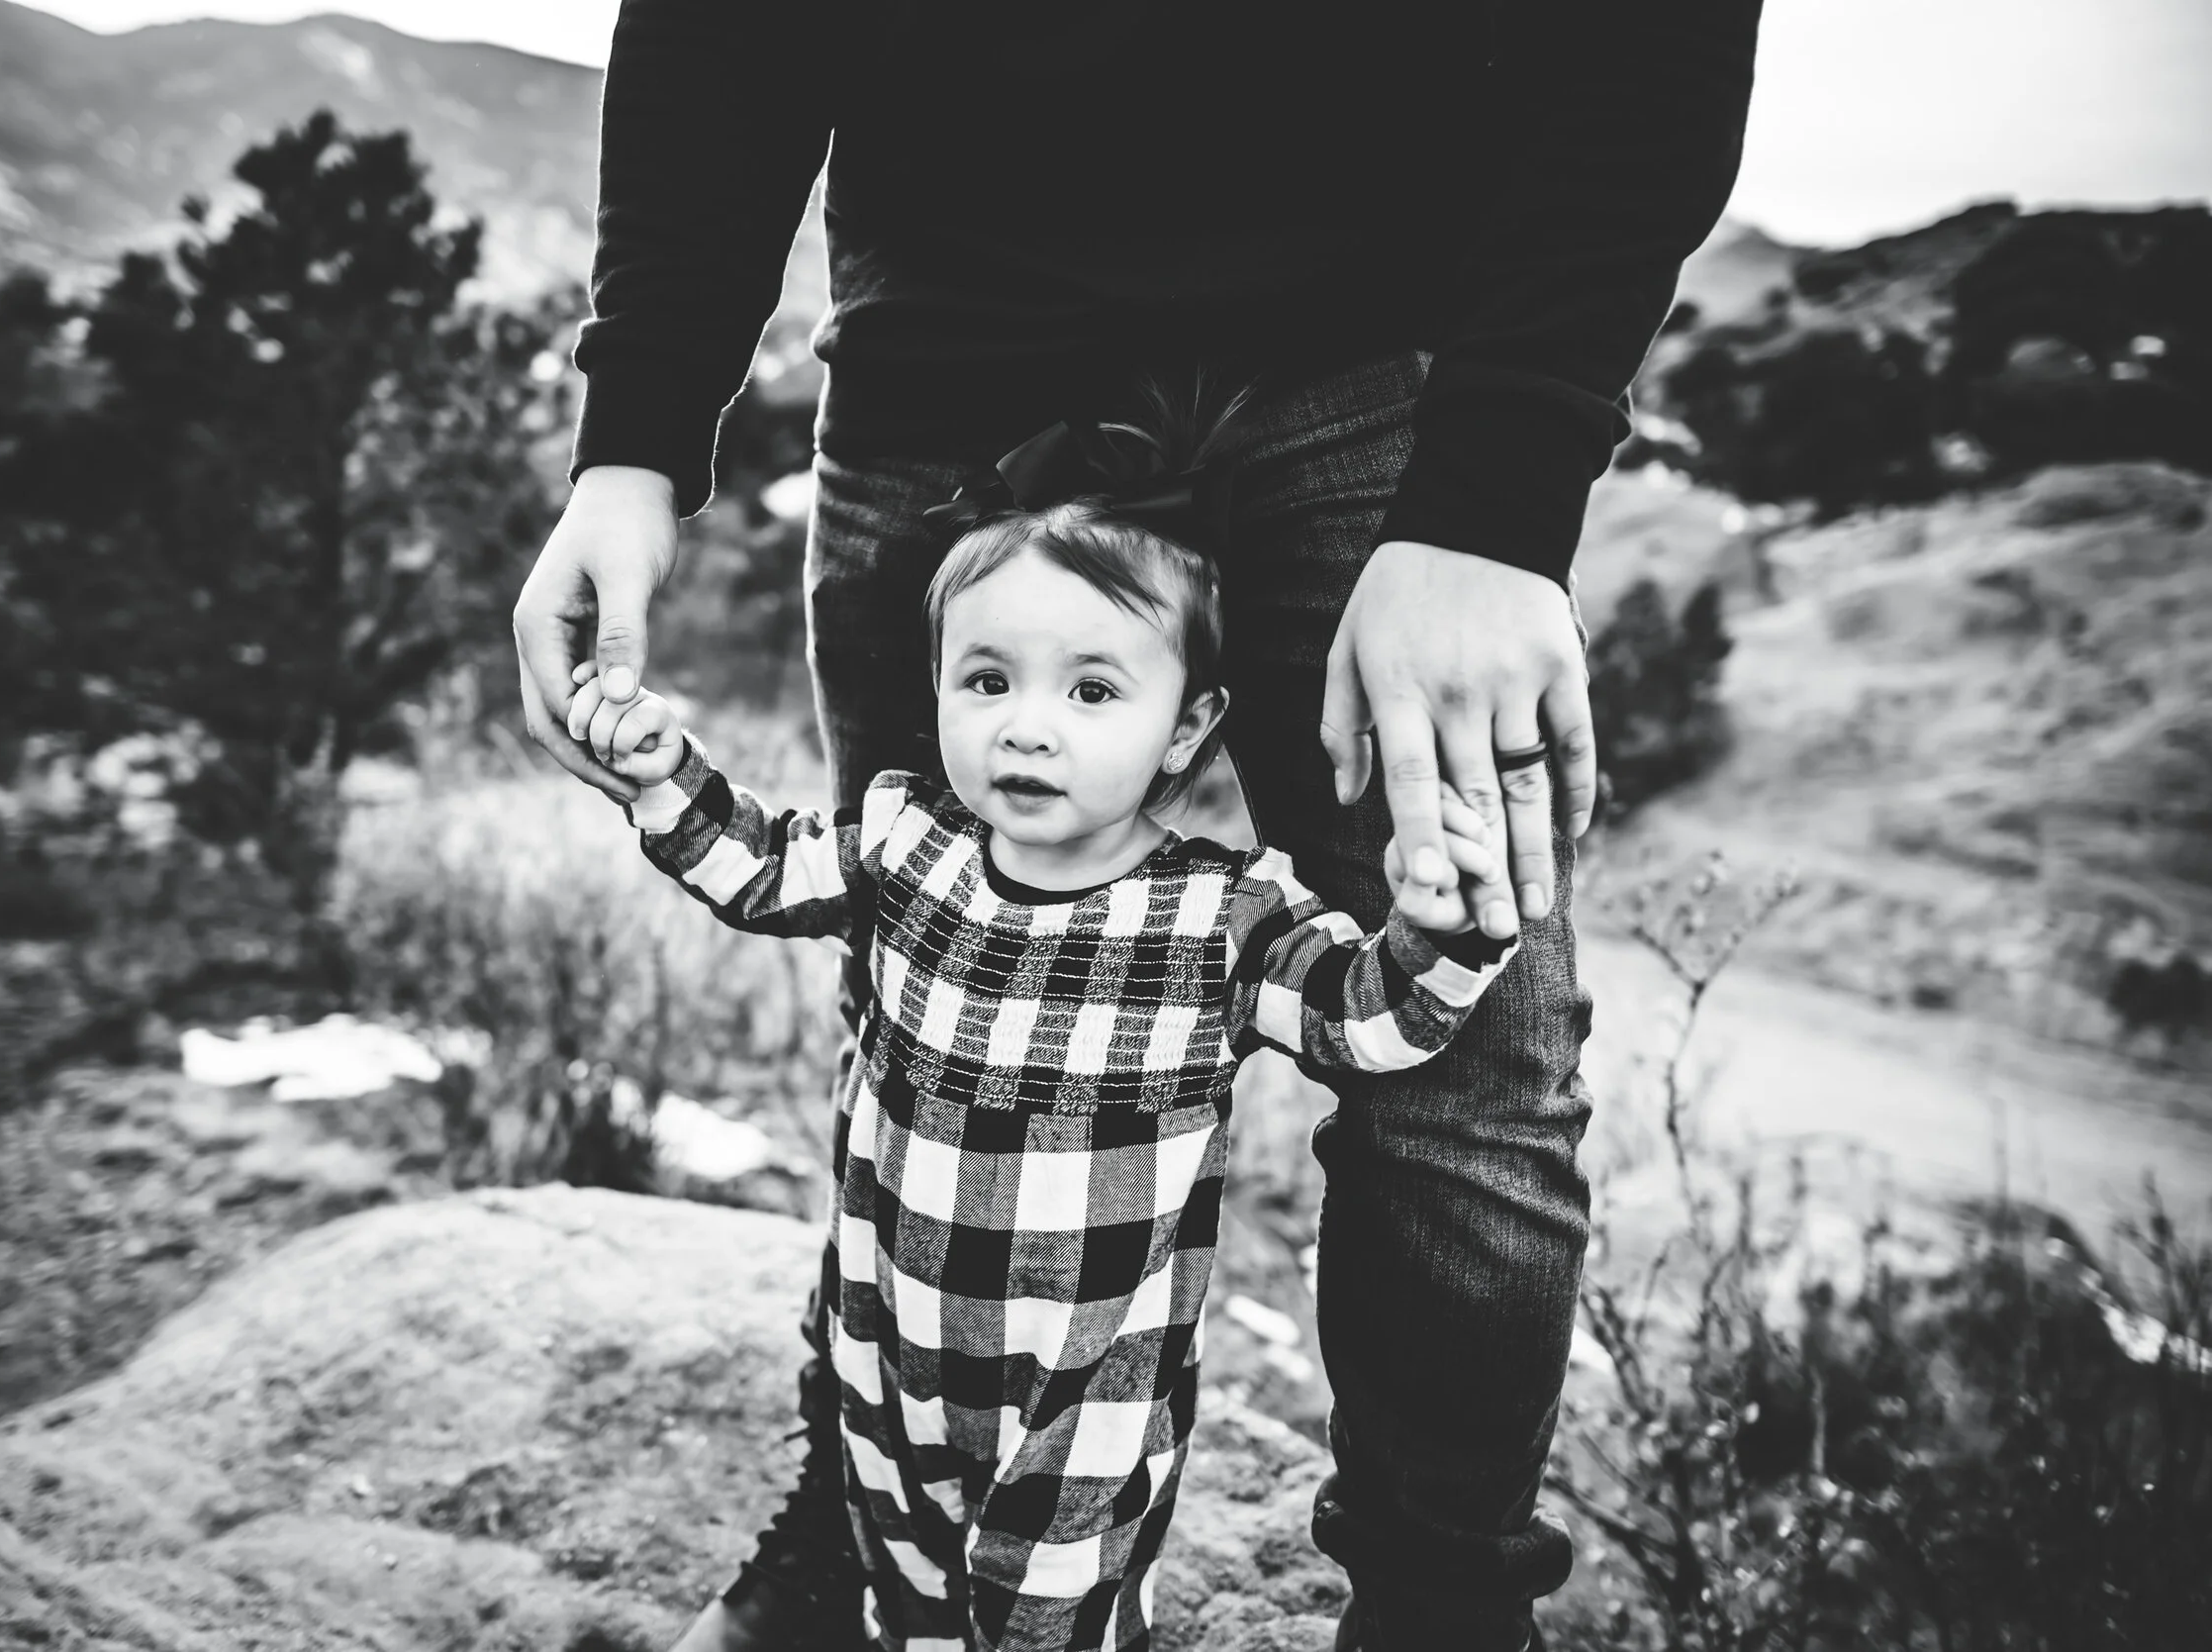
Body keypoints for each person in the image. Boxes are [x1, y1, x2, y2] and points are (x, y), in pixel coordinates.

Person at [515, 6, 1765, 1645]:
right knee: (920, 1006)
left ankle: (1446, 1611)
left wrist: (1496, 502)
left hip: (1391, 391)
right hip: (951, 372)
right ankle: (870, 1522)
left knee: (1474, 1078)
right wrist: (636, 441)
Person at [554, 400, 1517, 1650]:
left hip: (1080, 1405)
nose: (1026, 723)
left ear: (1186, 727)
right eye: (988, 679)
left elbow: (1368, 1026)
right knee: (903, 1601)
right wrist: (660, 774)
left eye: (1092, 688)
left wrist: (1441, 930)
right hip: (888, 1357)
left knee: (1048, 1625)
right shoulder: (908, 846)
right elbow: (759, 866)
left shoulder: (1218, 917)